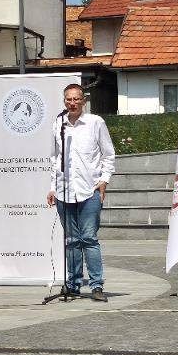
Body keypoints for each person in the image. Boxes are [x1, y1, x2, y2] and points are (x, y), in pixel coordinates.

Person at [46, 83, 116, 301]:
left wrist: (104, 180)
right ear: (64, 101)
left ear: (83, 101)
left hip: (89, 190)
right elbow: (54, 157)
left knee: (89, 238)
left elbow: (108, 154)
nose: (72, 103)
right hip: (63, 191)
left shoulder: (95, 122)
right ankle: (73, 285)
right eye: (69, 99)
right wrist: (52, 186)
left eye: (76, 99)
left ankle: (96, 286)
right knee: (71, 240)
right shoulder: (59, 124)